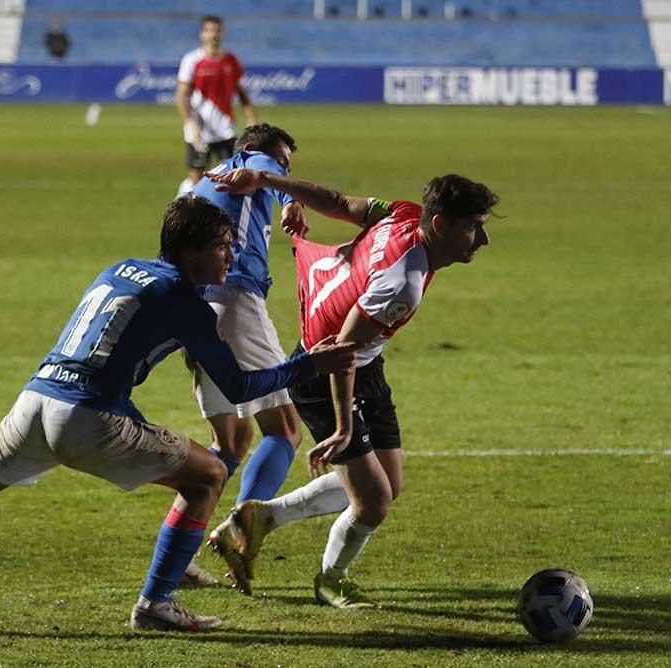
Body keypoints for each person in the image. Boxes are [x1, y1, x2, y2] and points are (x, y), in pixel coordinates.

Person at [0, 196, 355, 632]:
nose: (231, 256)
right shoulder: (185, 303)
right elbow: (239, 384)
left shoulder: (125, 269)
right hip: (85, 416)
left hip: (35, 401)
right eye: (223, 246)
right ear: (190, 252)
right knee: (208, 474)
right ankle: (156, 602)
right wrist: (309, 364)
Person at [206, 168, 500, 606]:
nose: (482, 239)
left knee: (387, 484)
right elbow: (341, 349)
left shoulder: (402, 215)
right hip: (324, 374)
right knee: (374, 502)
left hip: (364, 364)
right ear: (440, 226)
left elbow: (340, 203)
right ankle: (331, 580)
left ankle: (259, 519)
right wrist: (343, 427)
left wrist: (269, 180)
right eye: (474, 227)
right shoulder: (403, 284)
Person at [175, 124, 308, 592]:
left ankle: (178, 558)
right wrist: (292, 199)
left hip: (196, 306)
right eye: (284, 162)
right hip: (235, 303)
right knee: (286, 429)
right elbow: (265, 167)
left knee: (231, 444)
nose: (285, 172)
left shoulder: (202, 187)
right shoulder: (249, 165)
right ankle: (241, 532)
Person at [176, 15, 258, 195]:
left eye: (217, 30)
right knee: (196, 178)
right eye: (209, 30)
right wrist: (189, 123)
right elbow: (181, 96)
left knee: (231, 176)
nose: (213, 35)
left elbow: (241, 93)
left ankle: (225, 217)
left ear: (222, 33)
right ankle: (186, 205)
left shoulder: (231, 60)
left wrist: (251, 118)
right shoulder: (192, 60)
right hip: (199, 130)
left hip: (225, 129)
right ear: (202, 34)